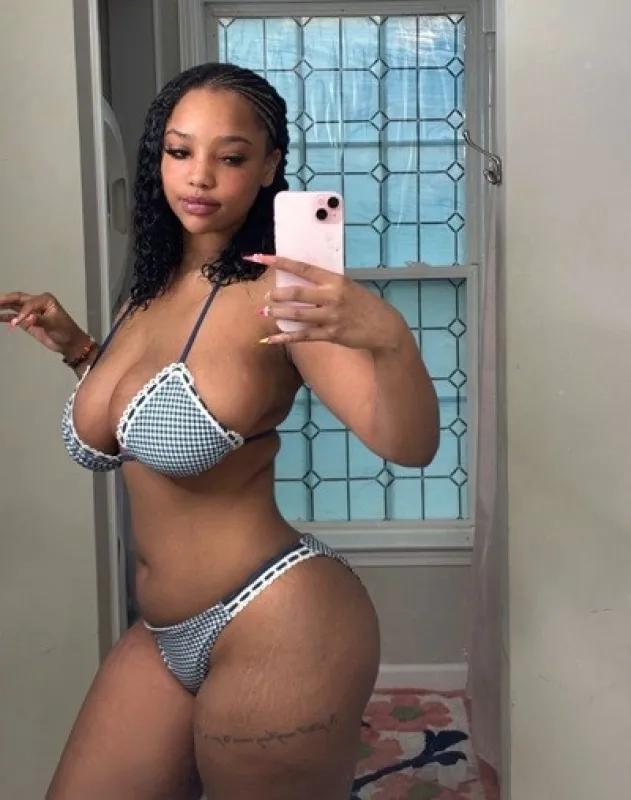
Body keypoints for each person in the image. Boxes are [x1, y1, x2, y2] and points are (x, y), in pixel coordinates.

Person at [0, 62, 439, 800]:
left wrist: (389, 339)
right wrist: (80, 350)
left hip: (278, 621)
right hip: (164, 632)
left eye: (230, 157)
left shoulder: (283, 295)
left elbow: (410, 445)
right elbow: (146, 418)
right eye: (179, 152)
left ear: (268, 167)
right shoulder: (150, 290)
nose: (198, 176)